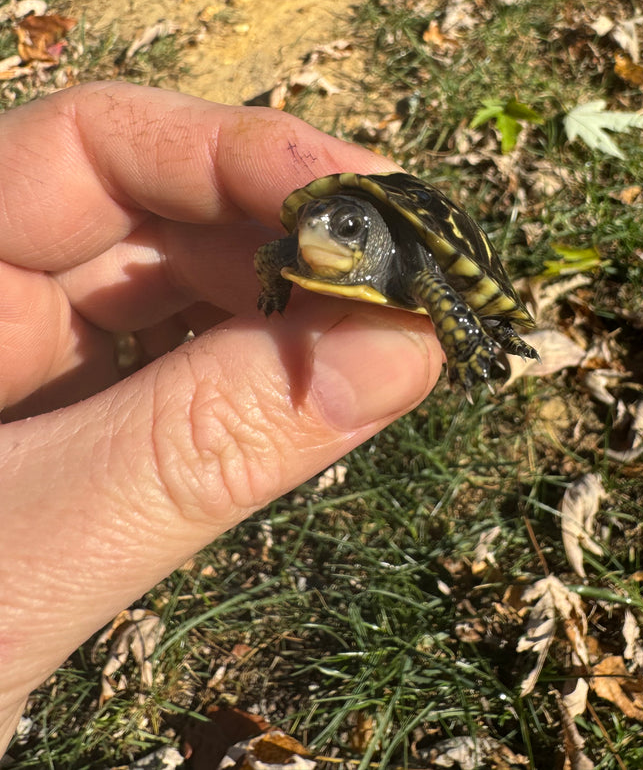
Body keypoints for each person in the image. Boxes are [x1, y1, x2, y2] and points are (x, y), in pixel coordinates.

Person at [0, 82, 442, 754]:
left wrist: (471, 335)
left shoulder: (412, 266)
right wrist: (273, 284)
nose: (320, 232)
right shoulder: (293, 249)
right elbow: (271, 253)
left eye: (346, 228)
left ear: (373, 239)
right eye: (317, 225)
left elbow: (444, 286)